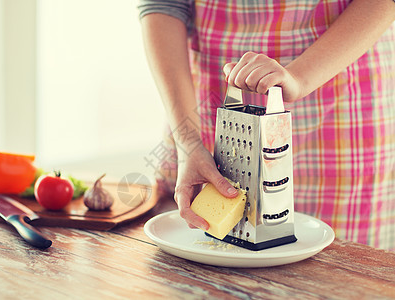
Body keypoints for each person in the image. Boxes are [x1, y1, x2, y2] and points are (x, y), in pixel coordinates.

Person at [138, 0, 395, 250]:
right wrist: (189, 144)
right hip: (207, 99)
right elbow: (163, 5)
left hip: (339, 96)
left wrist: (299, 77)